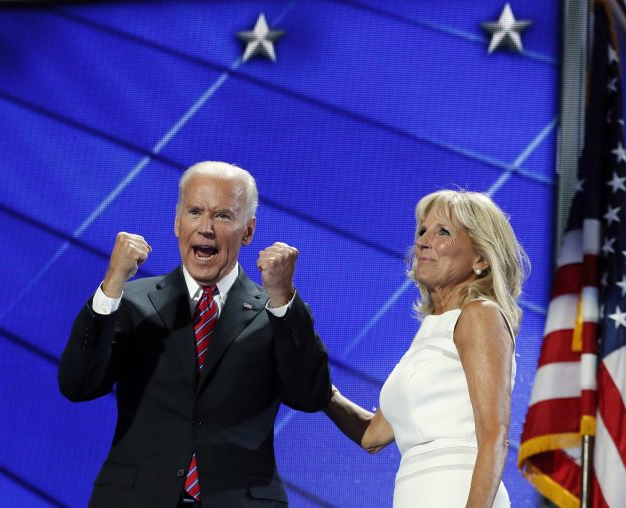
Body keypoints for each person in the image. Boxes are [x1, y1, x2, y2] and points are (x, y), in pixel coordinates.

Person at [58, 161, 332, 508]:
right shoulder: (132, 302)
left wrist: (282, 299)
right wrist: (111, 285)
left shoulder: (276, 312)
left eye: (222, 216)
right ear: (177, 223)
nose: (206, 228)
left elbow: (311, 396)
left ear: (248, 231)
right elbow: (78, 385)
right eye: (195, 211)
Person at [324, 190, 529, 508]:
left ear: (481, 259)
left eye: (443, 231)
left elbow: (494, 434)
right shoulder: (432, 331)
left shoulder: (480, 314)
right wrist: (322, 392)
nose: (422, 241)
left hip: (457, 492)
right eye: (422, 230)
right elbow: (372, 436)